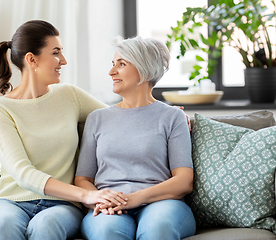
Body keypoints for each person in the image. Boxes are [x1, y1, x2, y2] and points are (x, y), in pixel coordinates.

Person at [0, 20, 128, 240]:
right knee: (2, 226)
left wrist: (168, 115)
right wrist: (87, 195)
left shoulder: (69, 96)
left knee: (46, 226)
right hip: (9, 200)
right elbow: (23, 173)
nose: (63, 61)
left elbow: (122, 118)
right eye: (56, 53)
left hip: (61, 205)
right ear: (31, 59)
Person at [75, 36, 196, 240]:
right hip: (108, 205)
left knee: (158, 229)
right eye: (113, 64)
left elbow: (184, 181)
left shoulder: (172, 117)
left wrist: (132, 199)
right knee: (107, 232)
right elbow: (83, 179)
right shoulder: (97, 119)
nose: (111, 72)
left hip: (162, 204)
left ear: (145, 70)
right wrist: (100, 198)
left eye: (121, 64)